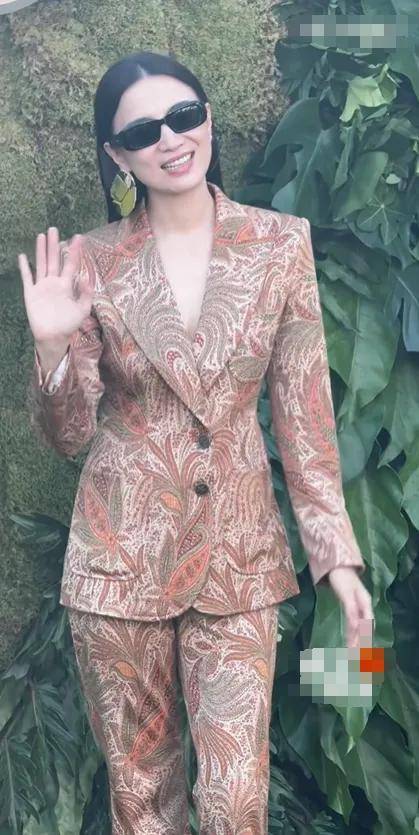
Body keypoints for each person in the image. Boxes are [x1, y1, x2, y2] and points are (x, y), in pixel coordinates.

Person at [18, 51, 373, 835]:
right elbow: (68, 435)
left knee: (234, 797)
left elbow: (304, 414)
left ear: (207, 118)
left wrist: (336, 557)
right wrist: (51, 348)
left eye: (183, 116)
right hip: (120, 561)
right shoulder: (90, 260)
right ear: (118, 155)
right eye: (143, 131)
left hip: (238, 558)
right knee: (141, 797)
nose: (170, 140)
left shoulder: (279, 244)